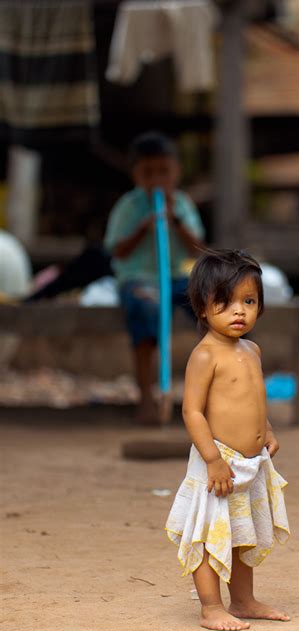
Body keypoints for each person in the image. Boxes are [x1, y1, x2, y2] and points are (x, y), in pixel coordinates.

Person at [165, 249, 290, 631]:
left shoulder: (252, 350)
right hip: (217, 460)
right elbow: (193, 411)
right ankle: (211, 607)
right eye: (225, 302)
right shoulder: (205, 355)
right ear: (202, 308)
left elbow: (253, 398)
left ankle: (244, 600)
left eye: (248, 301)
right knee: (208, 533)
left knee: (242, 532)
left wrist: (266, 429)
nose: (239, 311)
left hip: (249, 465)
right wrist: (212, 459)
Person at [104, 131, 205, 424]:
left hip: (174, 277)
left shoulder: (182, 203)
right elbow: (117, 251)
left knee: (212, 308)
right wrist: (141, 229)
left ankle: (212, 397)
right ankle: (147, 398)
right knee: (145, 310)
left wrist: (175, 221)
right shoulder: (129, 206)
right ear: (135, 175)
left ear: (177, 171)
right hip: (139, 279)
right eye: (148, 173)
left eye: (164, 171)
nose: (157, 179)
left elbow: (197, 246)